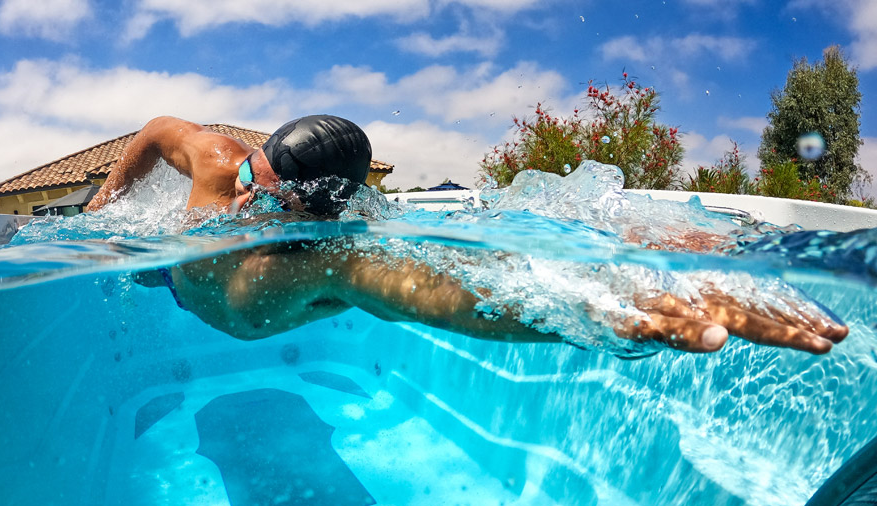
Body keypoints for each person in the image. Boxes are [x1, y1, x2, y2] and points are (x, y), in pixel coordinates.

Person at [88, 115, 848, 355]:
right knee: (127, 267)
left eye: (272, 198)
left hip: (222, 294)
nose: (245, 199)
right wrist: (108, 201)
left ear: (316, 211)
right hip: (171, 274)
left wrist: (590, 312)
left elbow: (426, 287)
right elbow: (156, 130)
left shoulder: (317, 259)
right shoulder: (219, 160)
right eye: (252, 177)